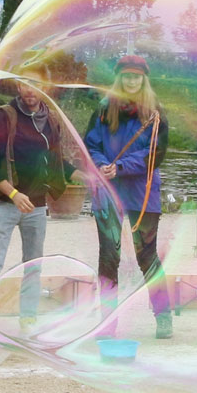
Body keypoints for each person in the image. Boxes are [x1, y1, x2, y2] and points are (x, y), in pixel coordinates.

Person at [0, 78, 78, 330]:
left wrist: (85, 175)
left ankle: (28, 320)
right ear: (19, 87)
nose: (30, 90)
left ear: (45, 88)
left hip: (37, 207)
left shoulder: (50, 119)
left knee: (33, 266)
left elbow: (56, 161)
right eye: (25, 84)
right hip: (6, 204)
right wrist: (13, 194)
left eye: (36, 84)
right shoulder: (6, 116)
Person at [83, 55, 173, 339]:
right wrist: (101, 165)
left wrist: (120, 167)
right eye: (127, 75)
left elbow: (155, 154)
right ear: (119, 78)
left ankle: (163, 315)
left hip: (142, 195)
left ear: (143, 79)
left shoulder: (156, 113)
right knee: (109, 259)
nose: (131, 80)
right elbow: (90, 145)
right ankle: (107, 322)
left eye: (136, 76)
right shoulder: (103, 110)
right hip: (107, 193)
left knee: (147, 257)